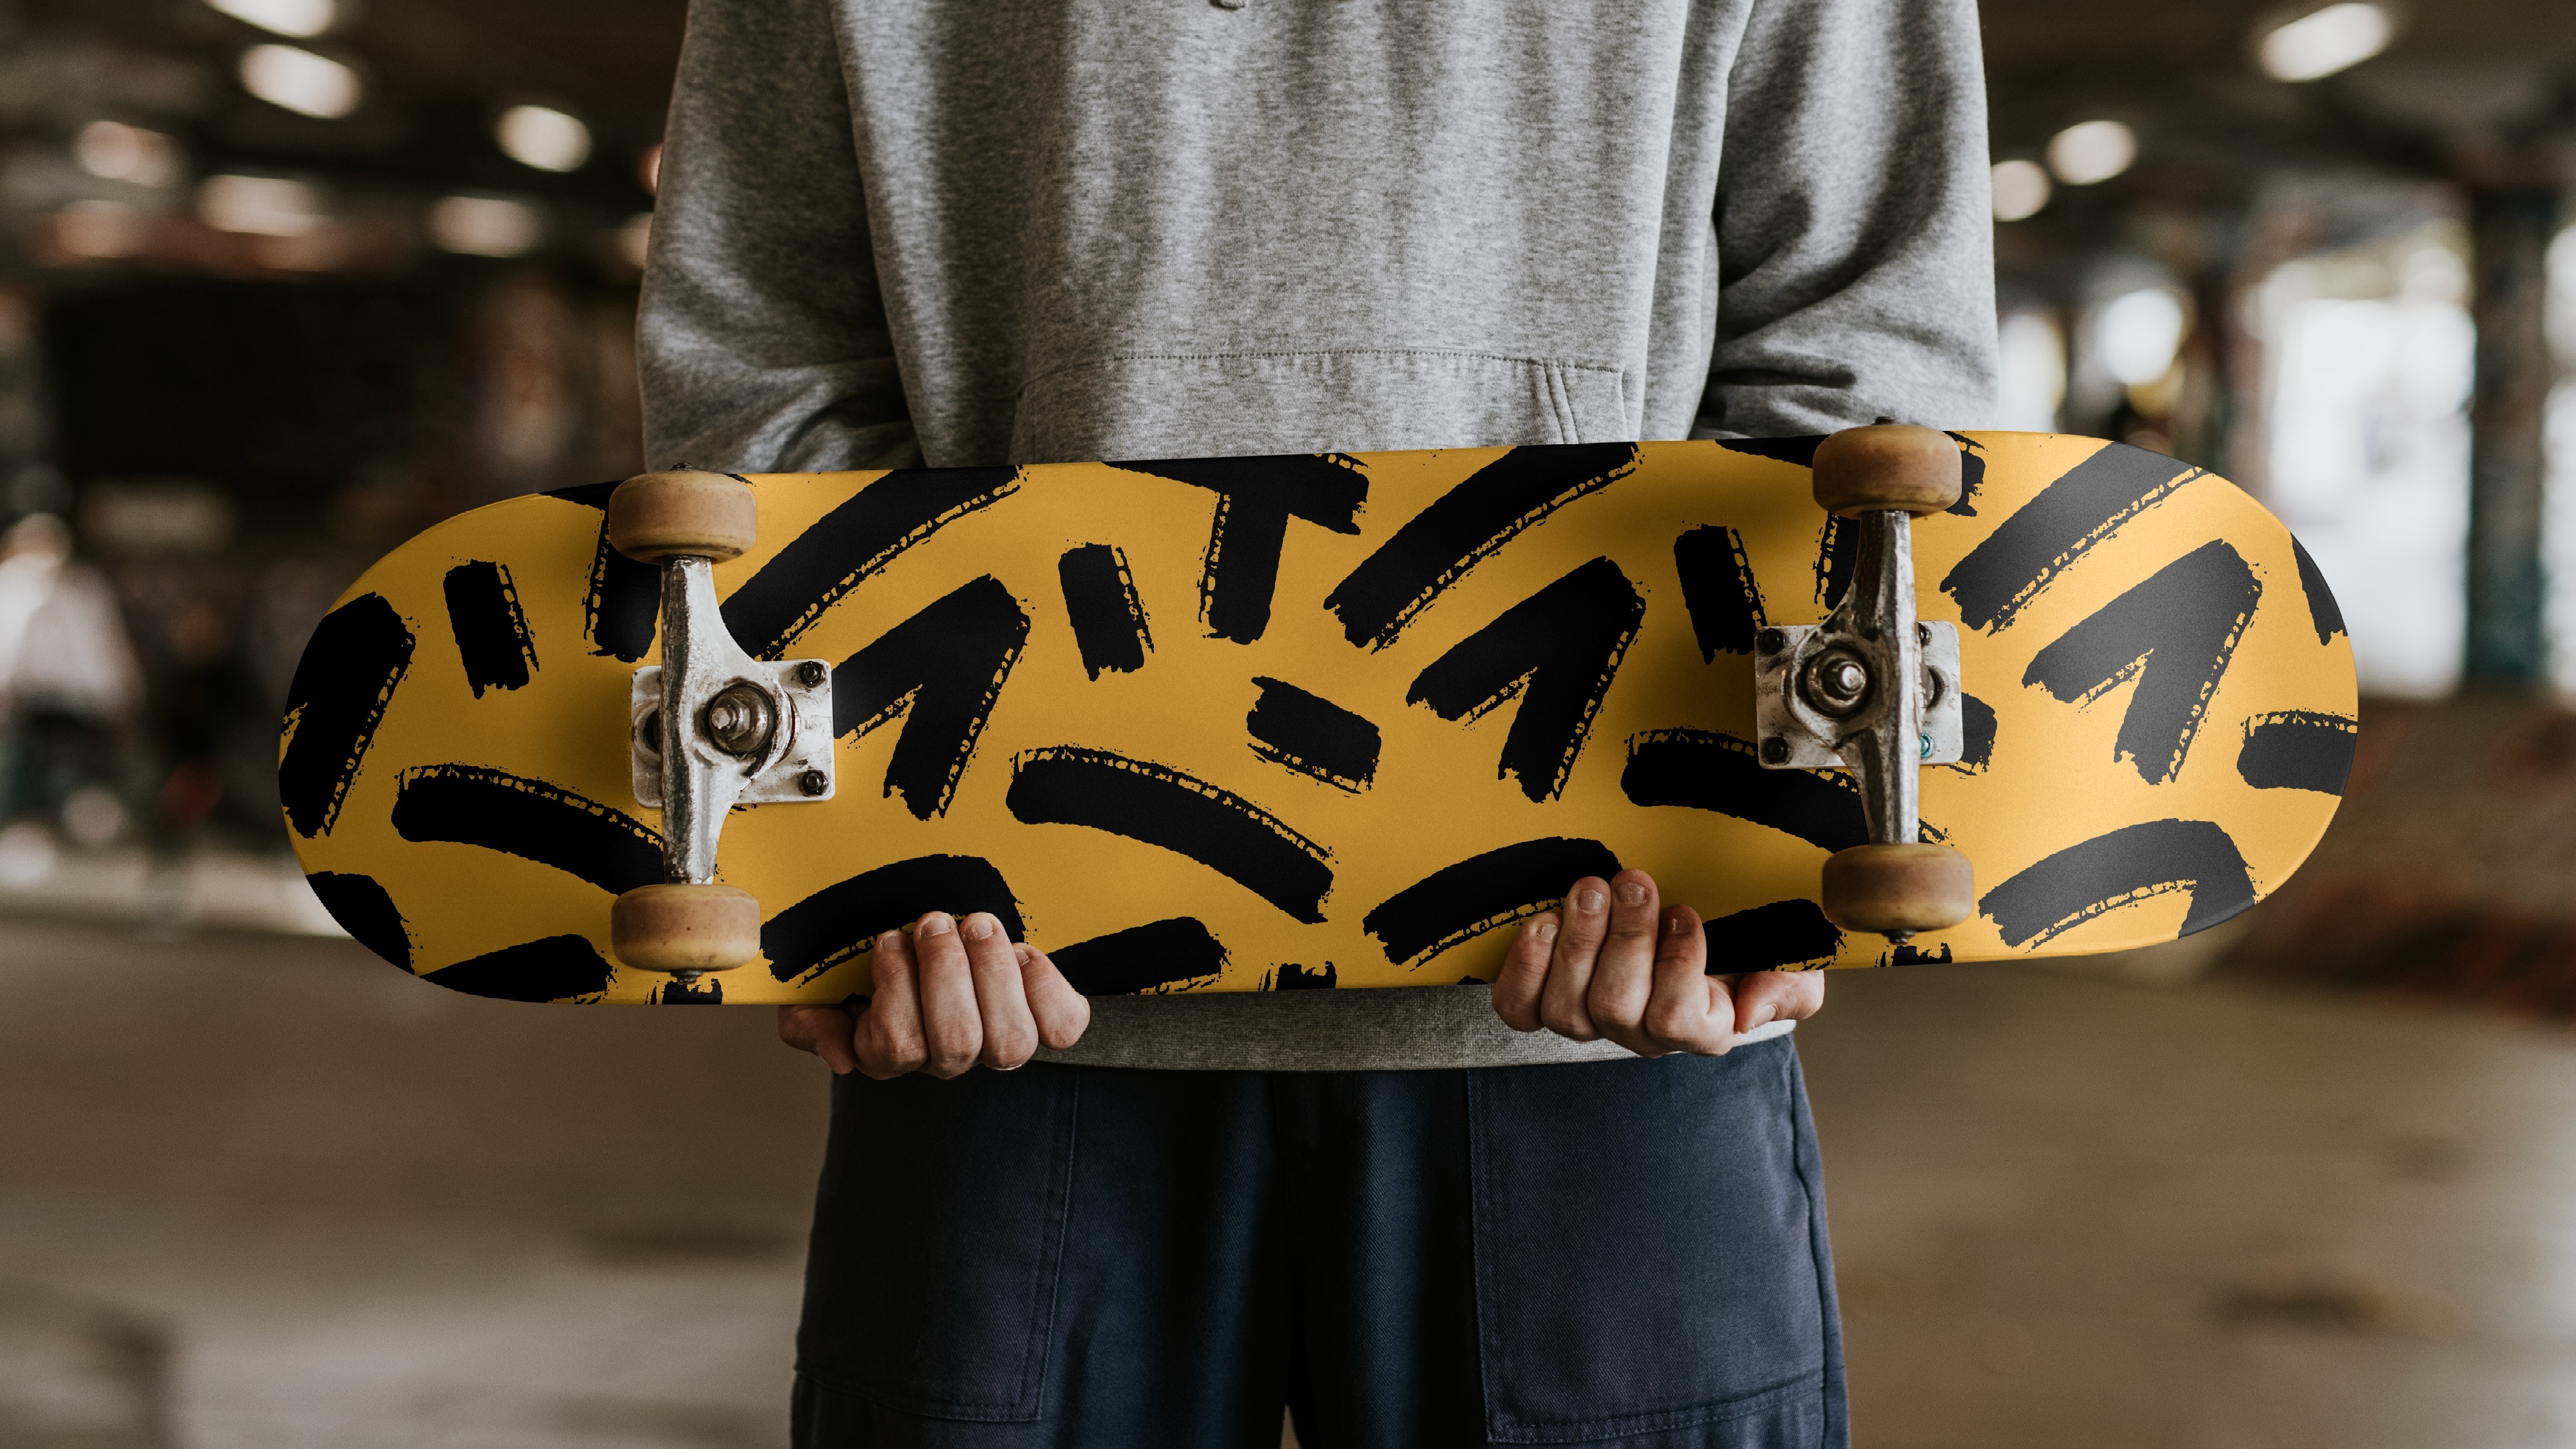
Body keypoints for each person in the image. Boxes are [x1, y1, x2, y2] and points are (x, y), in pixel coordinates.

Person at [639, 1, 1996, 1444]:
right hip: (1005, 1000)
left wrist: (1759, 857)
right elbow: (765, 356)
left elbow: (1865, 357)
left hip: (1610, 992)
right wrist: (861, 856)